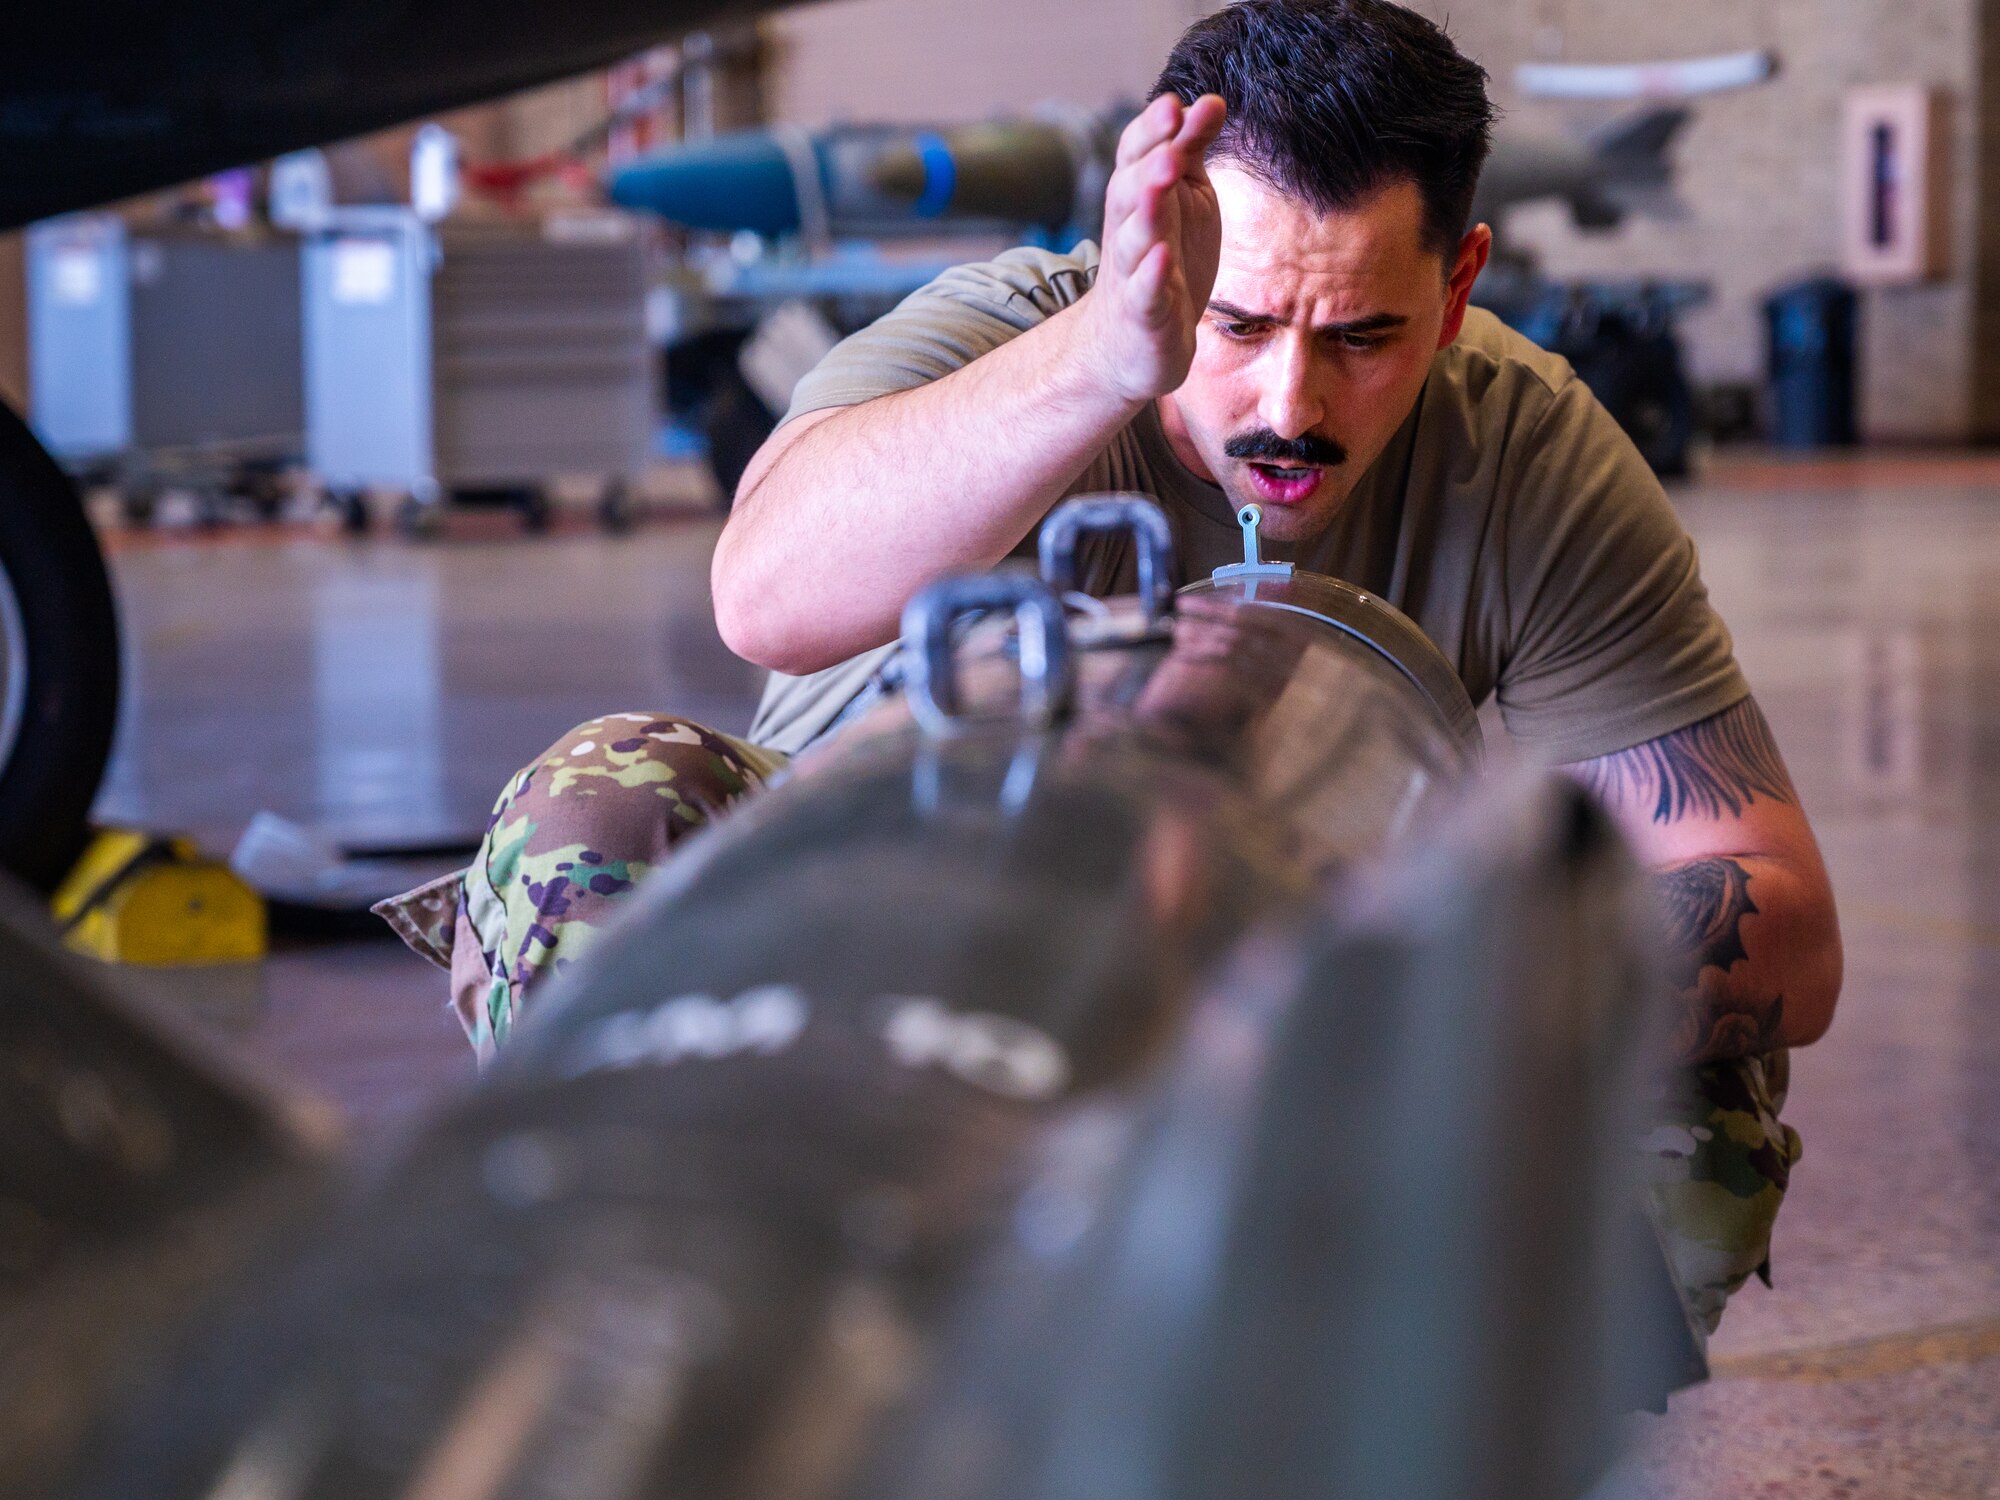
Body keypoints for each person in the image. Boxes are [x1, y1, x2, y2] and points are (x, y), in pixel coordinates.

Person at [379, 0, 1840, 1333]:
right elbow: (764, 598)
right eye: (1239, 321)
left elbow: (1778, 909)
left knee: (1690, 1063)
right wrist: (1103, 357)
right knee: (598, 809)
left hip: (1290, 998)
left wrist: (1410, 976)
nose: (1293, 402)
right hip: (876, 948)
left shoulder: (1521, 442)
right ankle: (651, 1347)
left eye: (1366, 338)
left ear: (1457, 285)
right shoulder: (1007, 335)